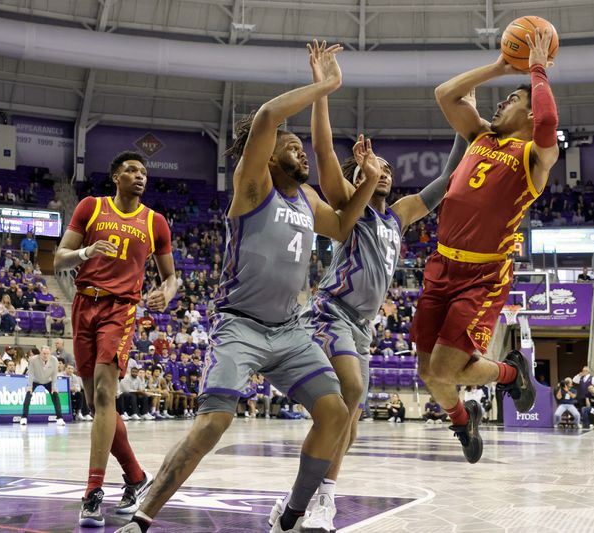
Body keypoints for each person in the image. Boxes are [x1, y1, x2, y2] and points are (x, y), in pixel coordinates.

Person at [117, 42, 384, 533]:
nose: (299, 149)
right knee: (214, 423)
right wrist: (324, 86)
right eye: (291, 147)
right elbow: (264, 117)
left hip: (289, 332)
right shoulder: (253, 185)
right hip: (239, 326)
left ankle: (292, 514)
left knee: (335, 412)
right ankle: (141, 516)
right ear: (270, 158)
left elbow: (345, 226)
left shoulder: (305, 197)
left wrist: (365, 182)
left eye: (301, 147)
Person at [282, 41, 470, 531]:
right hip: (330, 313)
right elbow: (323, 151)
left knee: (351, 415)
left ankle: (308, 499)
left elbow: (449, 180)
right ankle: (321, 498)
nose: (383, 172)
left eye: (388, 168)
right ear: (361, 173)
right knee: (353, 390)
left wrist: (462, 124)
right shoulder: (353, 204)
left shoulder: (401, 214)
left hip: (362, 327)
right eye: (376, 167)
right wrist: (324, 90)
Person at [411, 26, 558, 463]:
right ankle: (463, 420)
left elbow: (548, 121)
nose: (501, 102)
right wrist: (498, 66)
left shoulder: (533, 158)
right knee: (427, 373)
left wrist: (536, 71)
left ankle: (513, 372)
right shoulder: (480, 137)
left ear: (529, 116)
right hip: (440, 266)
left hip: (482, 274)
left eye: (512, 99)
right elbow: (445, 94)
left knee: (445, 368)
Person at [55, 150, 176, 527]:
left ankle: (92, 492)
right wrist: (87, 251)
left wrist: (166, 294)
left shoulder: (155, 222)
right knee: (96, 405)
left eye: (143, 171)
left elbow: (171, 277)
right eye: (131, 170)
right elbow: (58, 259)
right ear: (115, 177)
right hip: (83, 305)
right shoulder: (91, 207)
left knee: (106, 396)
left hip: (120, 310)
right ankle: (137, 478)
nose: (139, 176)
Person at [20, 345, 65, 426]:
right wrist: (29, 386)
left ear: (50, 354)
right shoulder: (33, 359)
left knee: (55, 395)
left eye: (47, 353)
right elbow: (30, 373)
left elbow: (54, 374)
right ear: (40, 353)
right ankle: (24, 418)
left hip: (48, 380)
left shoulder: (54, 360)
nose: (45, 355)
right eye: (44, 353)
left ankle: (60, 418)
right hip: (35, 380)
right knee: (28, 394)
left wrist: (54, 387)